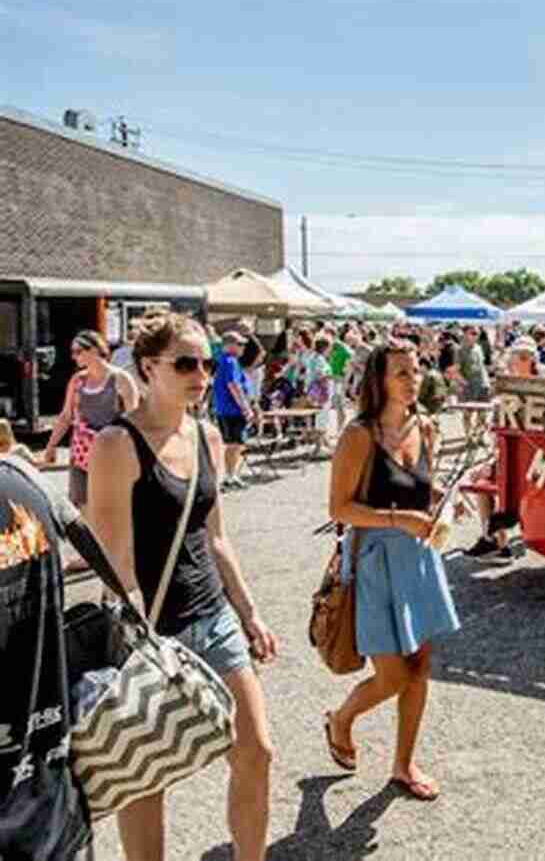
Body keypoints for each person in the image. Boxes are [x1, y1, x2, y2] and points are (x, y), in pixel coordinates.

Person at [86, 311, 278, 860]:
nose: (201, 374)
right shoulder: (115, 445)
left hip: (212, 618)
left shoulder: (208, 436)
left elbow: (215, 538)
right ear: (148, 367)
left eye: (208, 364)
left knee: (256, 751)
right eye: (186, 363)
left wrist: (249, 611)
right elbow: (117, 561)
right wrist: (142, 648)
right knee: (147, 775)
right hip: (148, 631)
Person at [324, 343, 461, 801]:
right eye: (401, 372)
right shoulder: (358, 435)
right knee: (393, 675)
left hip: (419, 555)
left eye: (416, 370)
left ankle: (403, 765)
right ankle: (342, 718)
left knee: (419, 666)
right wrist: (397, 519)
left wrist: (447, 500)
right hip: (374, 559)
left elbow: (421, 487)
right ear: (378, 381)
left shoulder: (425, 426)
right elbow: (339, 508)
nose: (412, 378)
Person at [42, 330, 141, 509]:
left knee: (110, 506)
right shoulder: (78, 380)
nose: (74, 357)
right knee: (81, 506)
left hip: (111, 454)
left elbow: (133, 420)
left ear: (95, 350)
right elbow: (66, 416)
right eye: (72, 352)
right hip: (81, 453)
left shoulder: (120, 379)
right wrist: (51, 446)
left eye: (78, 351)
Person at [212, 331, 255, 491]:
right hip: (232, 410)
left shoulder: (226, 361)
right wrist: (246, 408)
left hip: (226, 409)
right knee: (234, 444)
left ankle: (232, 475)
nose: (243, 347)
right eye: (240, 344)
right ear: (229, 345)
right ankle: (229, 477)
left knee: (234, 444)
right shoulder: (230, 361)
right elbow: (234, 386)